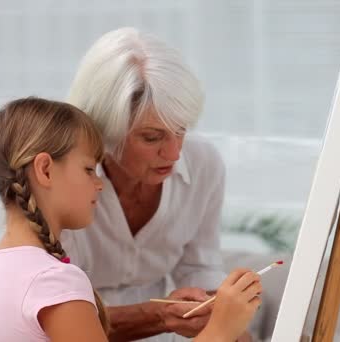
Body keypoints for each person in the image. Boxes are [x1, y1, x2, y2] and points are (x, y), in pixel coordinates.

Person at [0, 97, 262, 342]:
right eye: (89, 169)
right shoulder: (54, 282)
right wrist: (222, 329)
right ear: (45, 170)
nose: (100, 184)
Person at [62, 27, 243, 341]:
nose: (174, 153)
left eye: (181, 129)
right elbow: (61, 316)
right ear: (105, 130)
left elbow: (199, 265)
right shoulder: (61, 180)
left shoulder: (204, 165)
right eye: (152, 137)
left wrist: (223, 314)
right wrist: (160, 315)